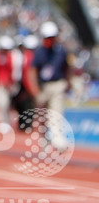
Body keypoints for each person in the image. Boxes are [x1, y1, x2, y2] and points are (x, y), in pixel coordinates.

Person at [29, 21, 71, 149]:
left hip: (57, 85)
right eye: (47, 38)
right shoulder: (39, 52)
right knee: (42, 115)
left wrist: (68, 82)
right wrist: (35, 89)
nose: (50, 40)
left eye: (52, 37)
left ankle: (58, 139)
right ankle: (44, 138)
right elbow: (32, 71)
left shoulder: (61, 51)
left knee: (56, 112)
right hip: (43, 87)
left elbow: (67, 68)